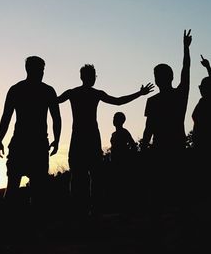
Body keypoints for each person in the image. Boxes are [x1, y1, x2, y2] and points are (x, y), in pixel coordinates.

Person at [57, 64, 154, 216]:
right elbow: (118, 101)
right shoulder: (84, 93)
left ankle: (86, 211)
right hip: (86, 140)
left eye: (94, 76)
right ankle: (84, 211)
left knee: (85, 177)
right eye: (92, 76)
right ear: (84, 77)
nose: (93, 79)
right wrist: (139, 94)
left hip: (83, 140)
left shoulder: (76, 93)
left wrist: (139, 93)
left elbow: (118, 101)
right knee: (85, 176)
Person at [0, 56, 61, 211]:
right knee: (25, 189)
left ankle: (18, 226)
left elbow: (6, 116)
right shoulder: (45, 91)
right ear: (31, 70)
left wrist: (57, 140)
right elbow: (6, 116)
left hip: (26, 144)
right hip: (29, 144)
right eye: (41, 70)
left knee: (24, 188)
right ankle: (15, 226)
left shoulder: (18, 89)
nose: (42, 73)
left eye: (43, 70)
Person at [142, 29, 192, 152]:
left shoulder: (178, 95)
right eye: (156, 75)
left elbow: (186, 69)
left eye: (158, 75)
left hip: (172, 148)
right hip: (165, 148)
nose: (157, 77)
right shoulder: (155, 100)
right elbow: (148, 129)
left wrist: (186, 48)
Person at [109, 112, 137, 213]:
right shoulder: (114, 134)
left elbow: (133, 145)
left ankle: (125, 209)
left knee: (123, 185)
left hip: (123, 162)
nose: (114, 120)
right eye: (114, 118)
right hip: (115, 162)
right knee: (117, 186)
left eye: (115, 118)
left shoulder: (125, 132)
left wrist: (128, 157)